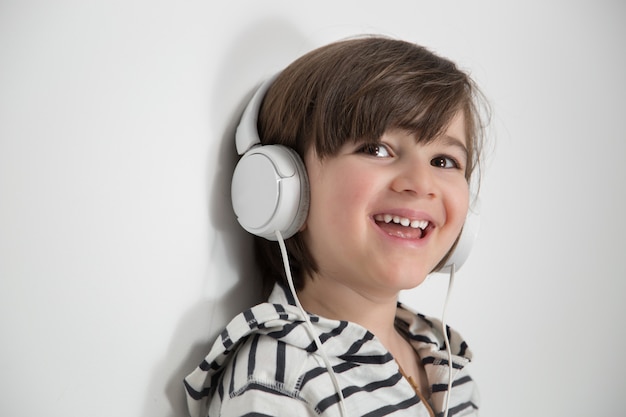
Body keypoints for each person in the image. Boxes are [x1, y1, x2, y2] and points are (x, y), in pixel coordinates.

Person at [184, 35, 488, 417]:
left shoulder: (444, 360)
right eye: (377, 149)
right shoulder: (279, 378)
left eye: (444, 161)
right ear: (287, 190)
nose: (421, 183)